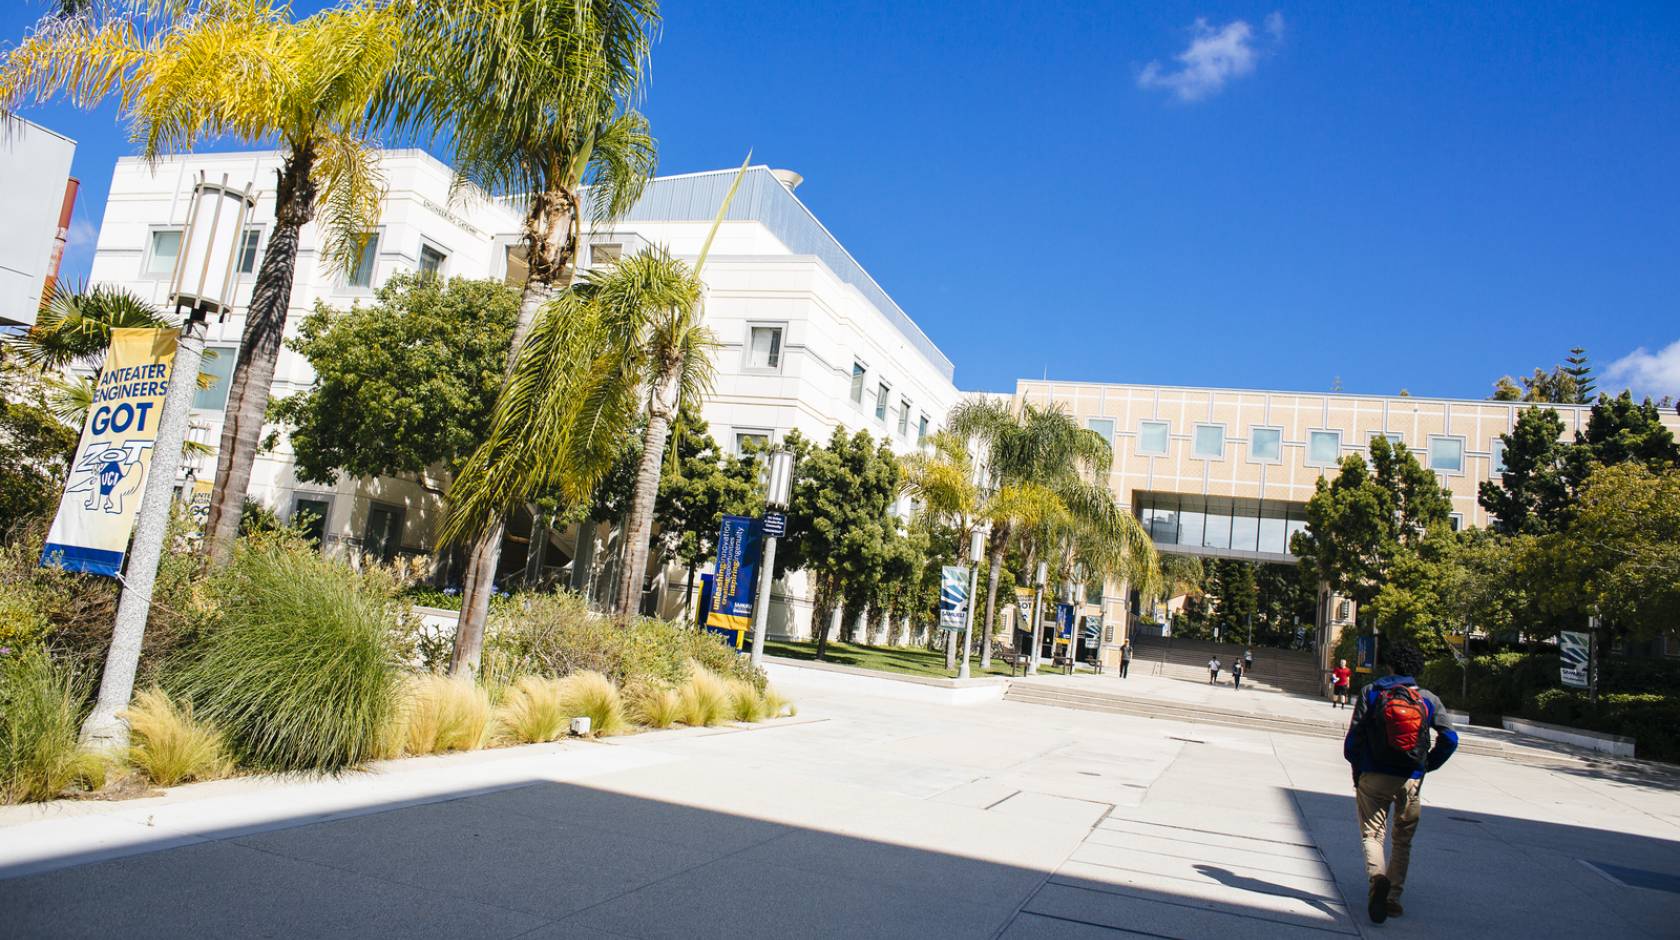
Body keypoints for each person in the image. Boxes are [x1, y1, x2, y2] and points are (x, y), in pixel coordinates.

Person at [1343, 642, 1458, 924]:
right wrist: (1428, 763)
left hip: (1374, 773)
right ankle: (1392, 898)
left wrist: (1358, 767)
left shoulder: (1372, 692)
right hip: (1411, 777)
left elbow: (1354, 739)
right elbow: (1450, 738)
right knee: (1402, 840)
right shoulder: (1428, 699)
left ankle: (1377, 879)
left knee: (1372, 834)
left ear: (1390, 665)